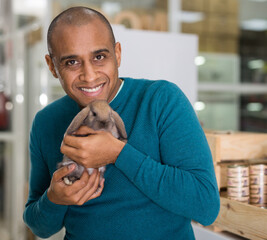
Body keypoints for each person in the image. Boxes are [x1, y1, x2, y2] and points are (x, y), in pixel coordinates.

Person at [23, 6, 220, 240]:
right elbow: (39, 227)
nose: (89, 75)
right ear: (52, 66)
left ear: (117, 54)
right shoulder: (46, 122)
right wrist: (54, 199)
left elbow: (206, 207)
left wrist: (118, 154)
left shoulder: (161, 100)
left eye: (99, 57)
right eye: (72, 62)